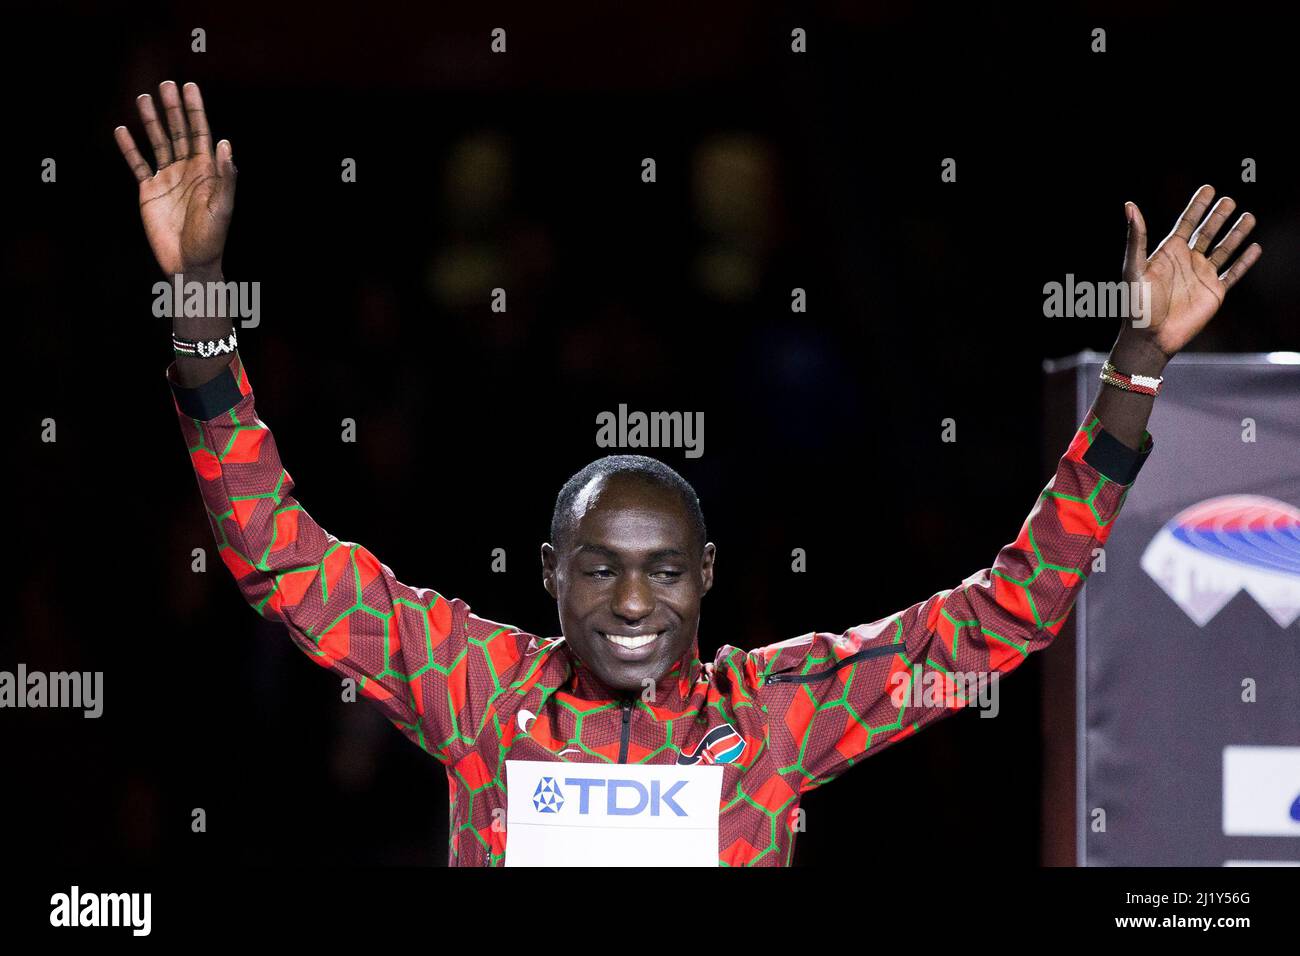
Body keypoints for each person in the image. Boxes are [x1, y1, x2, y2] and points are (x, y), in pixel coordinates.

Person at [116, 80, 1262, 866]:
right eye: (602, 568)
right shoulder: (474, 686)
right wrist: (198, 298)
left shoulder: (771, 716)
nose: (630, 600)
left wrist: (1138, 366)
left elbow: (1007, 610)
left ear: (706, 576)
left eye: (662, 569)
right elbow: (273, 548)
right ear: (552, 574)